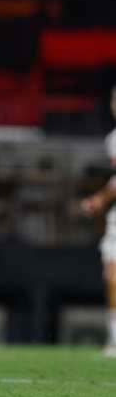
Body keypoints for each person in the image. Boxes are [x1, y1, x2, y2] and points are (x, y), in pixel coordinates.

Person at [80, 86, 116, 357]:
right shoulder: (112, 139)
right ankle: (115, 338)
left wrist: (100, 199)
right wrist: (101, 199)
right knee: (111, 276)